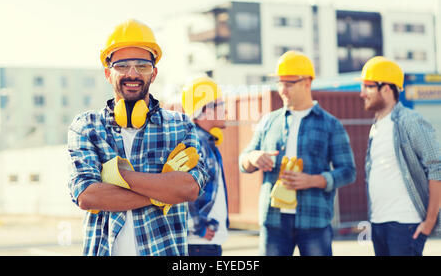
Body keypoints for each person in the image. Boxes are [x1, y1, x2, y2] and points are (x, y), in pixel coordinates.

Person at [67, 19, 209, 256]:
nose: (132, 74)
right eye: (122, 66)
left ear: (153, 73)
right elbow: (88, 196)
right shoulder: (86, 127)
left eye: (142, 66)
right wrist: (163, 192)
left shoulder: (181, 126)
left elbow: (189, 189)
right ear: (107, 73)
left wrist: (116, 175)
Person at [239, 51, 356, 256]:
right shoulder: (268, 121)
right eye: (280, 83)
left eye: (289, 83)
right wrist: (253, 158)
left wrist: (313, 180)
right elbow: (243, 160)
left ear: (307, 83)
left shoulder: (331, 125)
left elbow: (348, 171)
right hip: (273, 220)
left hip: (314, 220)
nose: (282, 90)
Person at [359, 56, 441, 256]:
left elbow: (436, 166)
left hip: (405, 224)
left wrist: (430, 221)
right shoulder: (377, 126)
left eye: (368, 86)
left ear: (387, 88)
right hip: (379, 223)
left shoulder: (409, 121)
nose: (362, 94)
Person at [182, 77, 229, 256]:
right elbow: (186, 190)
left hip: (205, 243)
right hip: (199, 245)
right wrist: (199, 227)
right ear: (206, 109)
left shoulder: (205, 141)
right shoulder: (196, 143)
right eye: (221, 104)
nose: (226, 110)